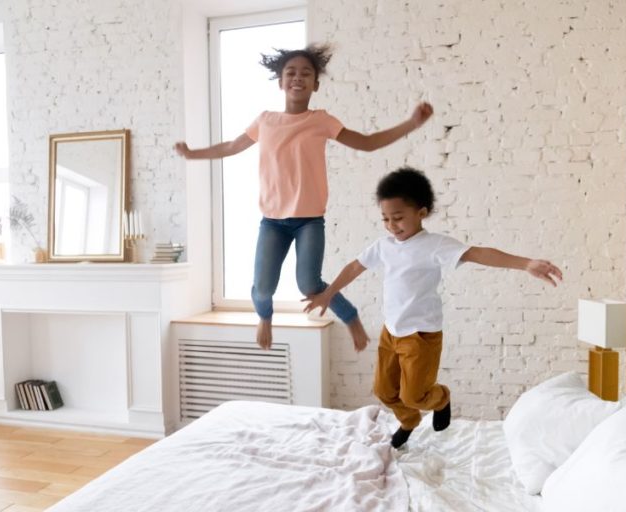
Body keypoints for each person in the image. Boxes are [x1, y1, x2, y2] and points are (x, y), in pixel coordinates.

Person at [174, 44, 433, 351]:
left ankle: (351, 318)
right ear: (281, 82)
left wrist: (411, 123)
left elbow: (367, 143)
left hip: (309, 220)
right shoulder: (265, 120)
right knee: (263, 288)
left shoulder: (321, 120)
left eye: (306, 73)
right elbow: (231, 146)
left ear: (316, 84)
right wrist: (193, 154)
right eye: (291, 73)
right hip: (272, 221)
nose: (298, 77)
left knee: (309, 285)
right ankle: (264, 317)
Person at [303, 167, 563, 448]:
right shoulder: (383, 246)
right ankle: (409, 421)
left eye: (398, 218)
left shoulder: (434, 245)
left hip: (421, 335)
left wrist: (526, 263)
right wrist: (328, 293)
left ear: (421, 213)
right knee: (384, 391)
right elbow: (355, 267)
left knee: (414, 395)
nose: (391, 226)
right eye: (385, 219)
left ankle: (441, 398)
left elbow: (477, 253)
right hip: (391, 332)